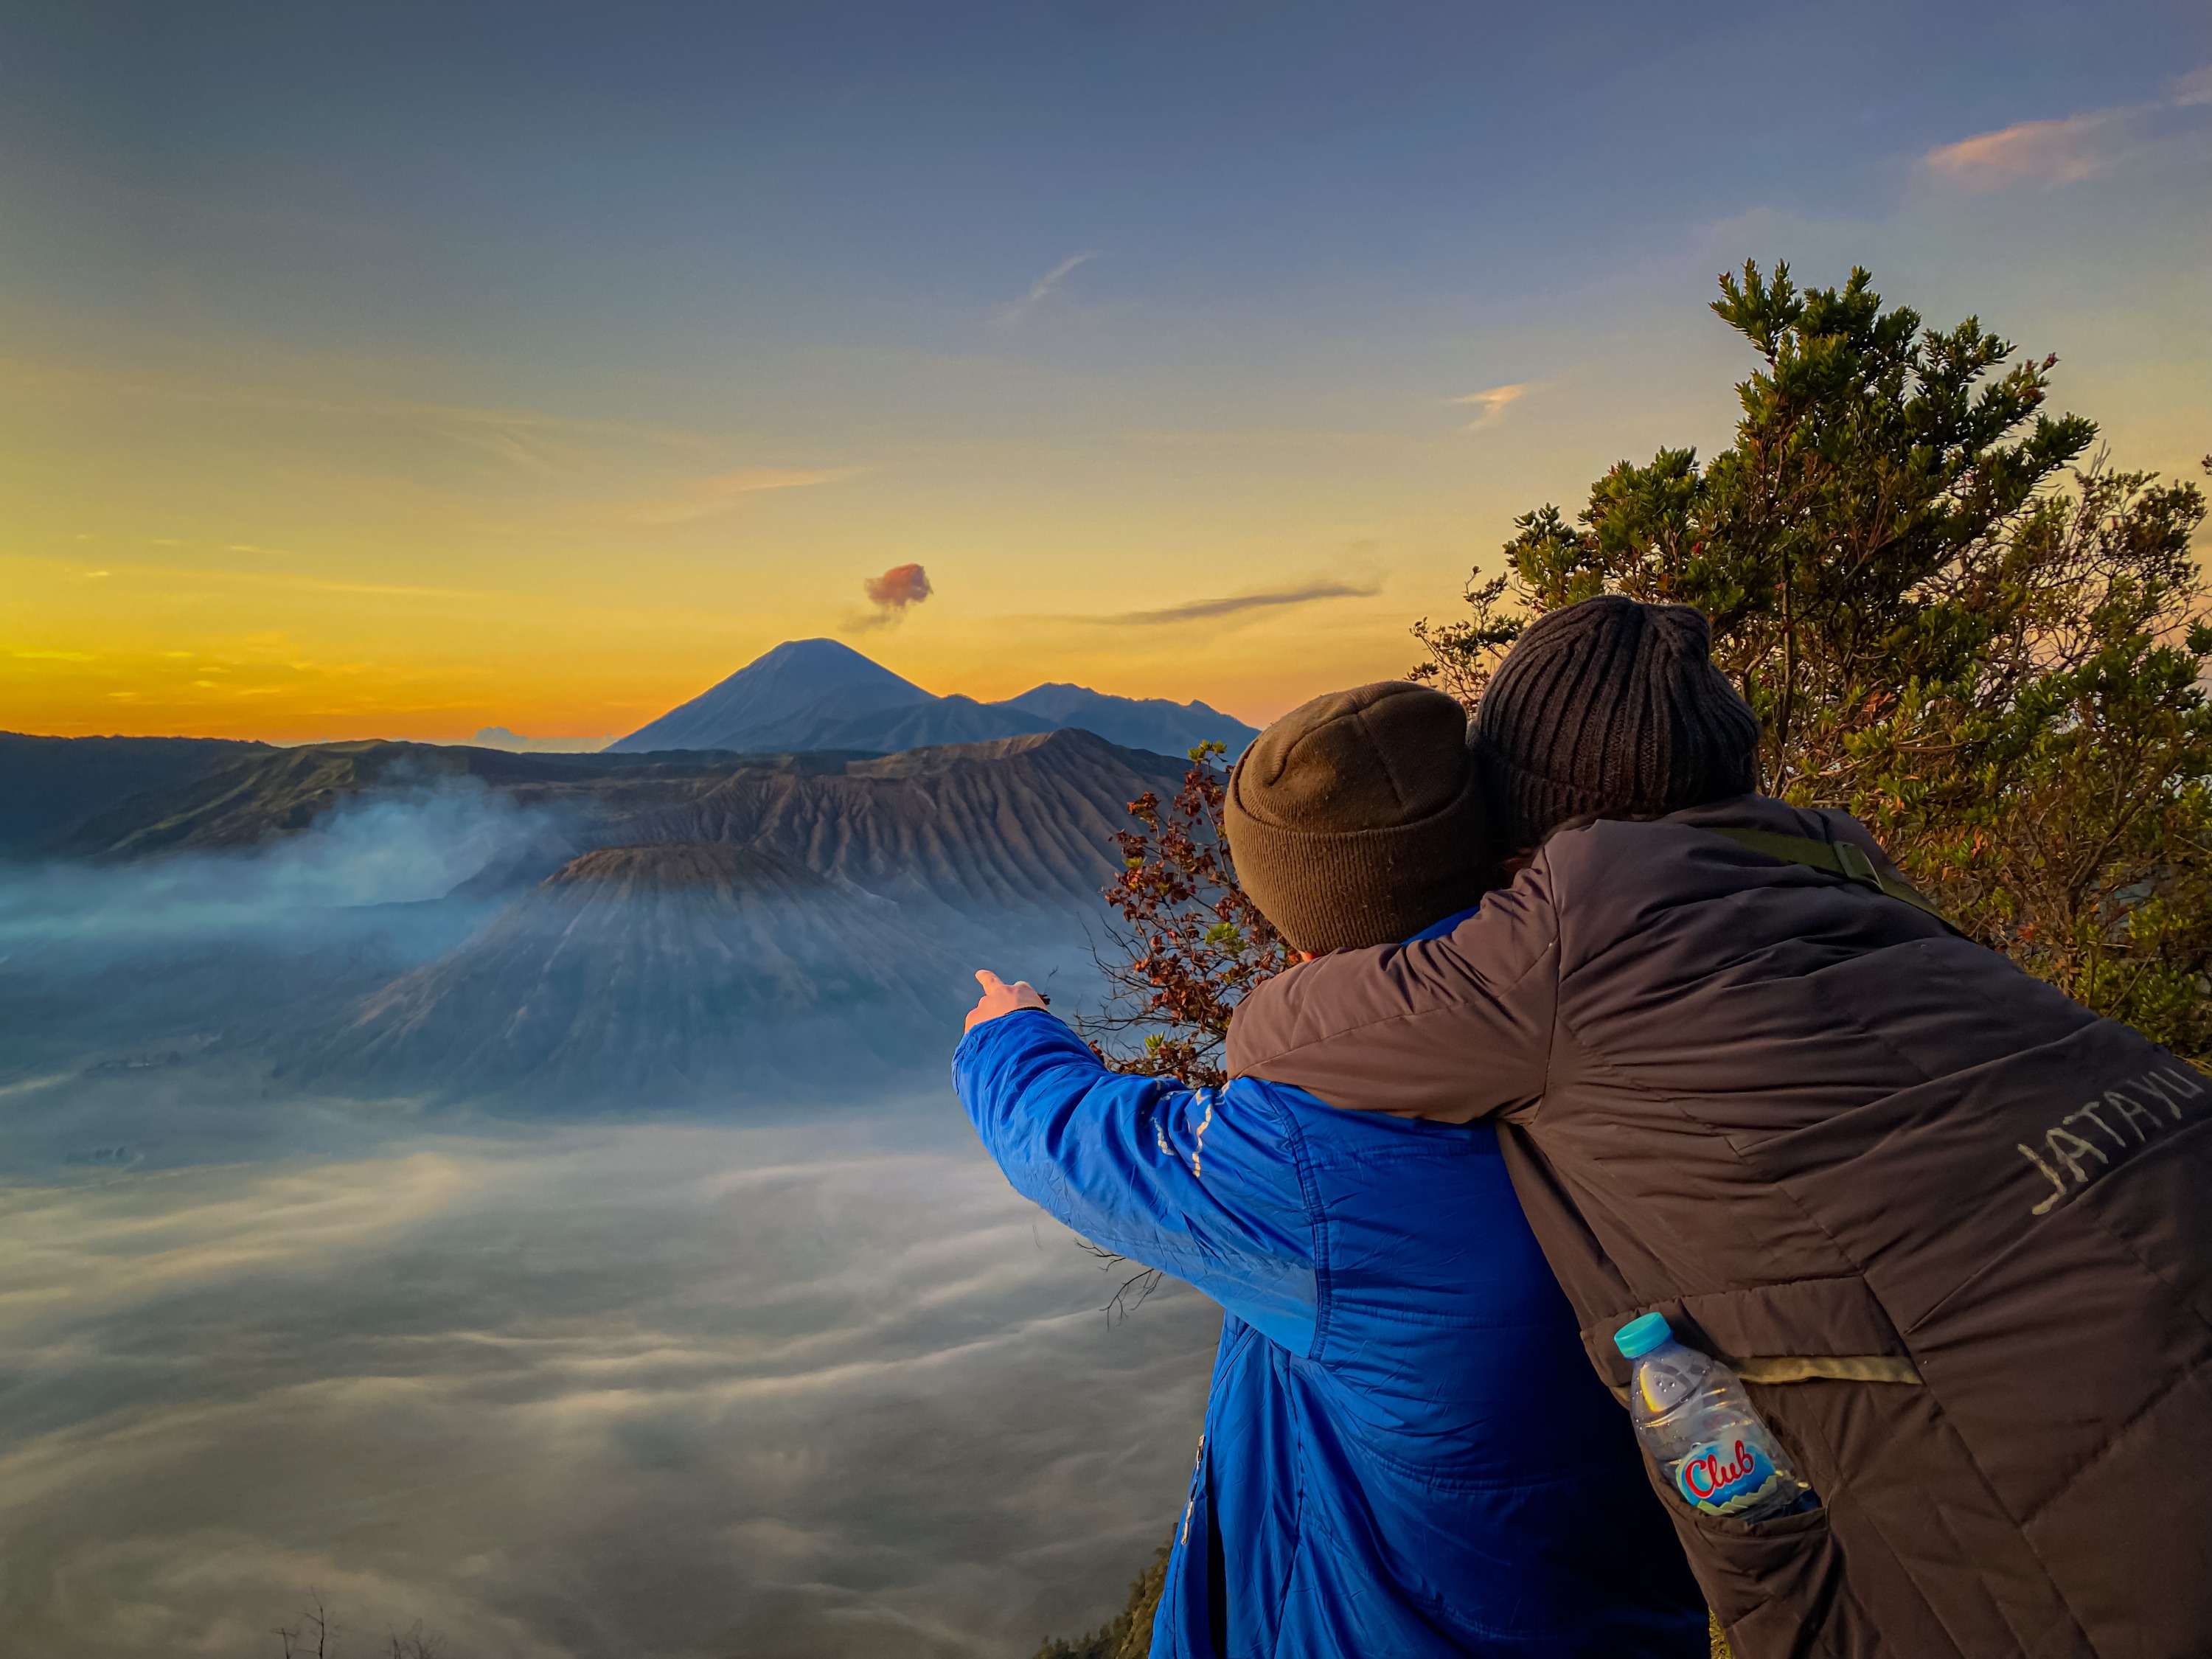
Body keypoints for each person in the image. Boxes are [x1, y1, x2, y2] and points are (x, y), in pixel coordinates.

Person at [1226, 596, 2212, 1659]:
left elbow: (1287, 1030)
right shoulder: (1837, 862)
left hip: (2109, 1477)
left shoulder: (1556, 939)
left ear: (1531, 813)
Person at [955, 682, 1708, 1659]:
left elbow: (1086, 1145)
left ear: (1300, 922)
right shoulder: (1667, 1044)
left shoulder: (1318, 1161)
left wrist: (1009, 1036)